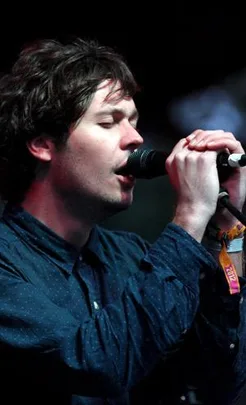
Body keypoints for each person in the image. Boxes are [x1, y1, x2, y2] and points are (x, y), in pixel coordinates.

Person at [0, 36, 245, 405]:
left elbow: (219, 378)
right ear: (43, 144)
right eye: (109, 122)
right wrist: (191, 215)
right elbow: (98, 364)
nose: (135, 138)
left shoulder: (133, 257)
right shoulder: (6, 264)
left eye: (133, 121)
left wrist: (228, 231)